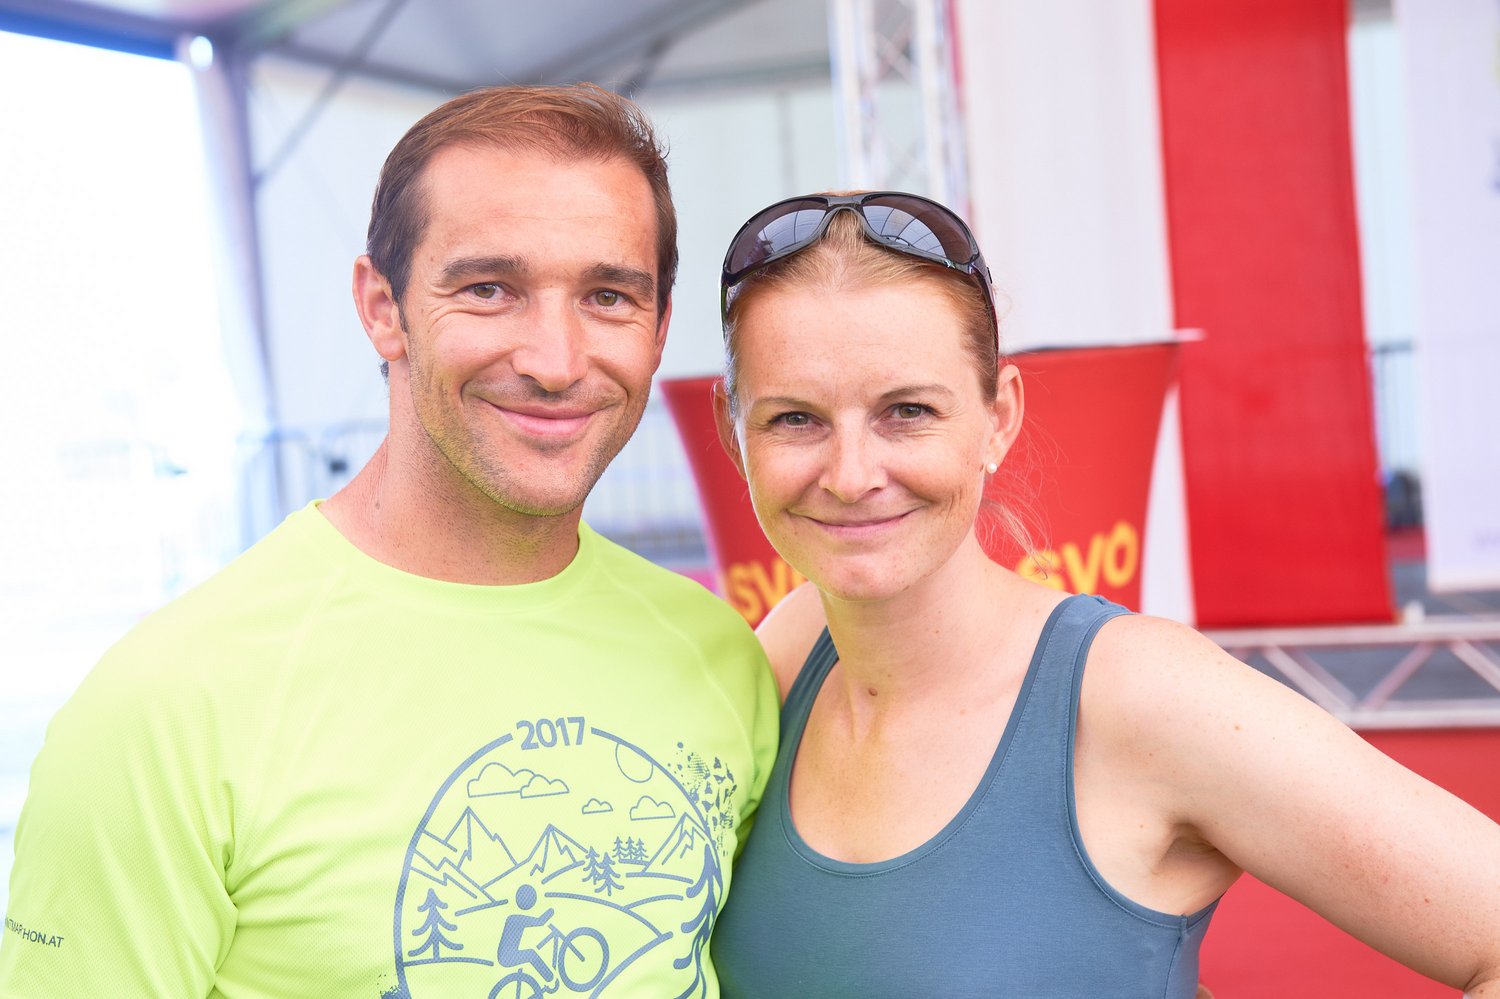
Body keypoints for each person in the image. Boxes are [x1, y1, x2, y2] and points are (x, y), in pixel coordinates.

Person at [0, 84, 778, 998]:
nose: (555, 360)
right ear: (381, 305)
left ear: (659, 328)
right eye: (489, 289)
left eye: (608, 296)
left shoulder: (720, 658)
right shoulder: (165, 707)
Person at [705, 192, 1500, 996]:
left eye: (907, 411)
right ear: (733, 431)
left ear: (998, 418)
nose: (850, 475)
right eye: (794, 419)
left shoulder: (1136, 694)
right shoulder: (789, 650)